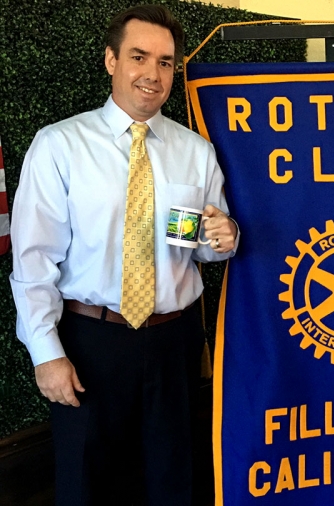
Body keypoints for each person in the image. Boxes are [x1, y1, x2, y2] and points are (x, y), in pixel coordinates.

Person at [10, 5, 238, 505]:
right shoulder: (59, 146)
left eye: (165, 62)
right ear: (111, 60)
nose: (153, 75)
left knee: (172, 476)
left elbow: (204, 245)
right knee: (85, 480)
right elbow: (33, 262)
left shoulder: (195, 150)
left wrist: (224, 237)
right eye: (139, 57)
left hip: (173, 339)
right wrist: (47, 354)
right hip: (91, 339)